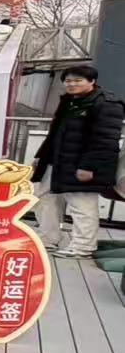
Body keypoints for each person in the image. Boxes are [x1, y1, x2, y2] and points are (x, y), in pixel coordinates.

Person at [33, 64, 124, 259]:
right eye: (68, 81)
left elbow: (106, 140)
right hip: (56, 161)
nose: (71, 84)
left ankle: (83, 247)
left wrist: (88, 167)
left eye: (77, 80)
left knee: (81, 205)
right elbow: (55, 133)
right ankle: (47, 238)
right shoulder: (69, 101)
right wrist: (41, 156)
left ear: (92, 81)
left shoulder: (107, 104)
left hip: (83, 166)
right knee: (44, 197)